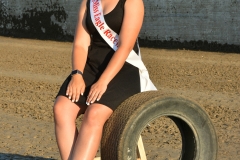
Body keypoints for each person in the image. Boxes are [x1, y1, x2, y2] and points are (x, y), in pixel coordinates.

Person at [53, 0, 155, 159]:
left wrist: (103, 81)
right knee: (62, 108)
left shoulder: (132, 2)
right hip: (92, 66)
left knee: (94, 113)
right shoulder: (88, 2)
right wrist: (77, 74)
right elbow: (81, 43)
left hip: (123, 69)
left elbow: (125, 47)